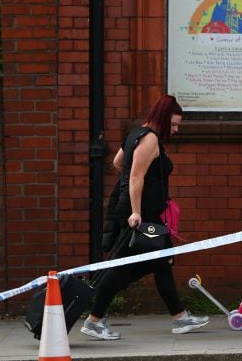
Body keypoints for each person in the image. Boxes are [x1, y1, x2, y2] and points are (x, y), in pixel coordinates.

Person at [81, 95, 209, 340]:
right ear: (162, 118)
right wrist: (136, 211)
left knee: (160, 260)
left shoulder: (136, 134)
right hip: (142, 216)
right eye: (173, 124)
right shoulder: (149, 139)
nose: (175, 129)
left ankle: (179, 317)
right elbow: (135, 176)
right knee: (125, 266)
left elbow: (119, 162)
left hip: (139, 212)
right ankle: (94, 320)